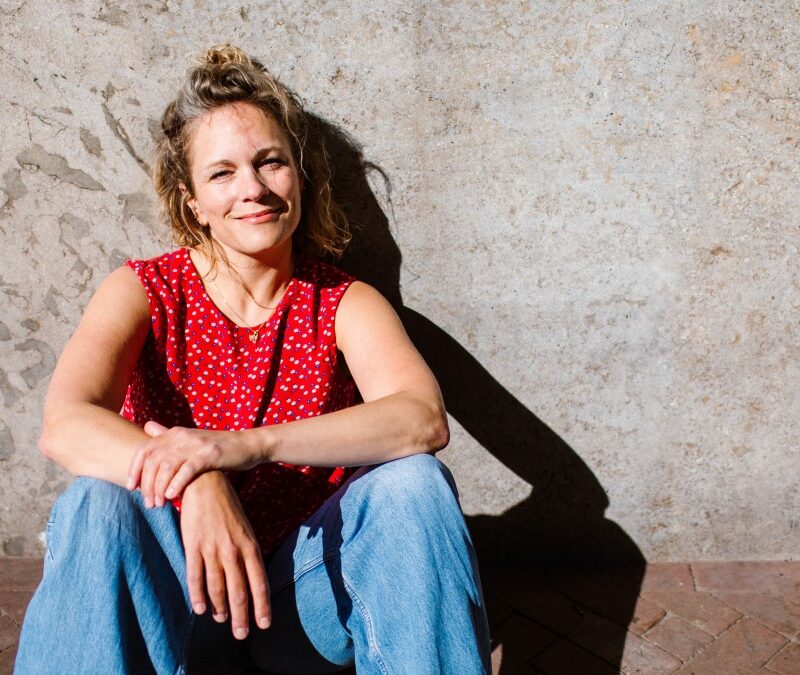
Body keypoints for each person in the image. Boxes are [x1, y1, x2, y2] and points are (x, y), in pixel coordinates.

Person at [14, 45, 491, 674]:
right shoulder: (144, 290)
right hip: (177, 600)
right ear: (191, 200)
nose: (254, 189)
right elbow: (65, 425)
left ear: (299, 175)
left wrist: (244, 447)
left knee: (415, 486)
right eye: (222, 173)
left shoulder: (342, 301)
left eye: (271, 162)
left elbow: (421, 419)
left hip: (302, 604)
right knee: (96, 505)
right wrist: (199, 477)